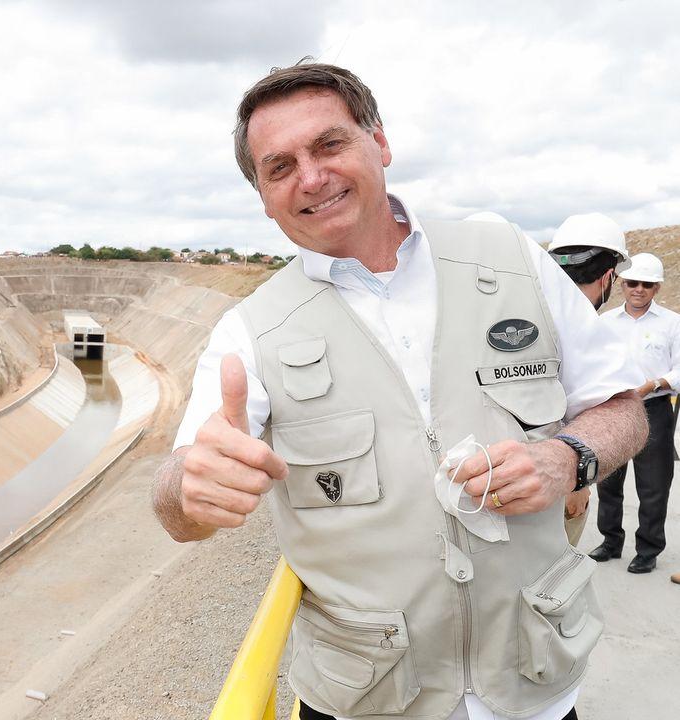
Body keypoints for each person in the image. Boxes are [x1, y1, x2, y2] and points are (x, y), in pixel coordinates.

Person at [152, 61, 647, 720]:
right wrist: (188, 488)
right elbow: (177, 495)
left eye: (329, 144)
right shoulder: (248, 333)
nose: (312, 177)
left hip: (536, 688)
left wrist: (568, 458)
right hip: (369, 701)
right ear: (264, 195)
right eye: (280, 167)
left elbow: (622, 408)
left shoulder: (510, 256)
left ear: (378, 143)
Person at [544, 212, 634, 544]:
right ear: (609, 277)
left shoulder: (524, 309)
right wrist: (577, 481)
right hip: (559, 478)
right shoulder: (586, 328)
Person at [592, 252, 680, 574]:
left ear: (656, 288)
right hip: (612, 408)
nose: (638, 289)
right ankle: (610, 541)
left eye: (646, 284)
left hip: (653, 408)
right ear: (622, 284)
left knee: (653, 485)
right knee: (608, 481)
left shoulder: (672, 323)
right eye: (632, 283)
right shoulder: (604, 323)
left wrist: (656, 383)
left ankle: (648, 549)